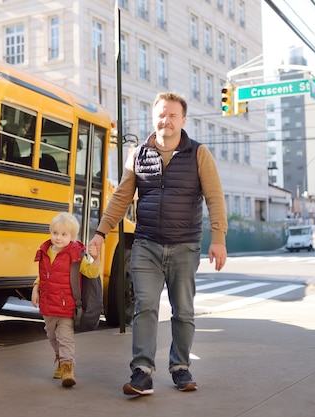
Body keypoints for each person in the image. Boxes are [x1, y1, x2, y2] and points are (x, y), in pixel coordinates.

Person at [88, 91, 228, 395]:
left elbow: (215, 198)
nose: (166, 120)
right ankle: (142, 371)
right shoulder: (138, 154)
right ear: (154, 118)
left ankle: (180, 368)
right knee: (145, 307)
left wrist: (218, 238)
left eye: (173, 115)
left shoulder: (199, 154)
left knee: (183, 311)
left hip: (184, 246)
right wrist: (100, 233)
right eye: (161, 114)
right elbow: (121, 197)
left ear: (183, 120)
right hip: (146, 244)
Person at [32, 212, 100, 388]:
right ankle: (60, 359)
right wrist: (35, 288)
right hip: (47, 304)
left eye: (63, 234)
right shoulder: (45, 251)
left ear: (72, 236)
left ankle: (68, 368)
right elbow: (43, 275)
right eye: (55, 233)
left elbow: (92, 273)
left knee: (65, 337)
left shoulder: (75, 255)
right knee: (51, 335)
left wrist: (97, 259)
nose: (58, 238)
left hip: (67, 306)